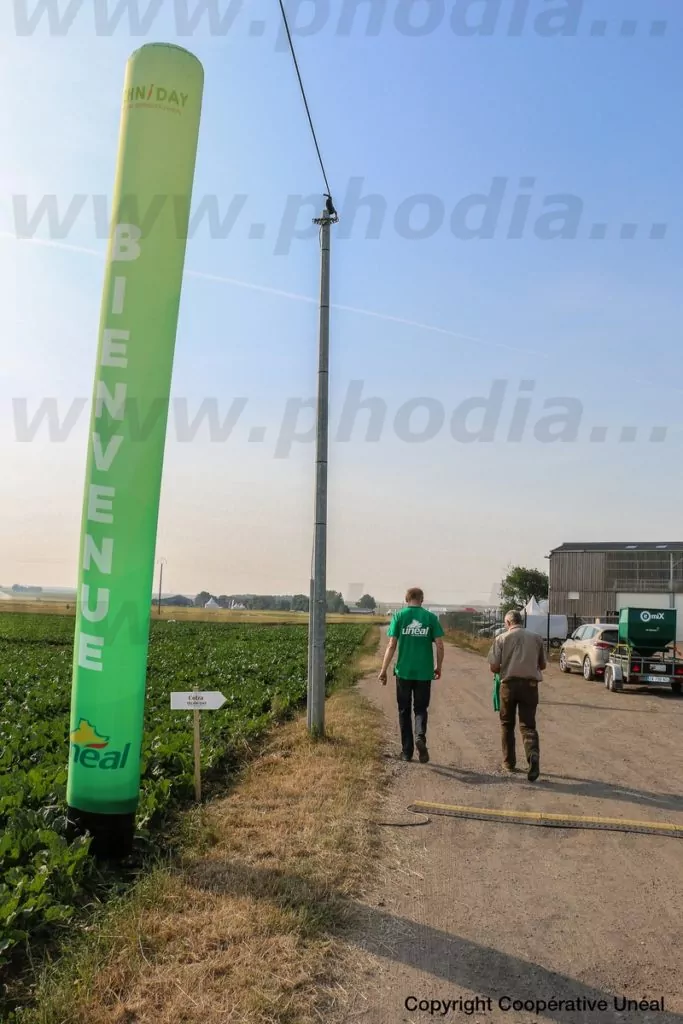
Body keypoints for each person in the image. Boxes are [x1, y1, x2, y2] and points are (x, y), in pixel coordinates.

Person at [378, 587, 445, 763]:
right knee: (421, 709)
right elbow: (439, 644)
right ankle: (420, 736)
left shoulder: (399, 616)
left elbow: (391, 644)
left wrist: (383, 669)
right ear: (422, 599)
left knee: (404, 709)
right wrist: (438, 666)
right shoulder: (430, 618)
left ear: (407, 599)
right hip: (424, 673)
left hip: (404, 672)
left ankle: (407, 752)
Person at [488, 609, 546, 781]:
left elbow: (493, 666)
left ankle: (509, 762)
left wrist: (505, 667)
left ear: (507, 623)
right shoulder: (536, 638)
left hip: (509, 685)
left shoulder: (501, 639)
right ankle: (532, 755)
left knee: (507, 724)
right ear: (521, 621)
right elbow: (542, 665)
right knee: (528, 725)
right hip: (530, 686)